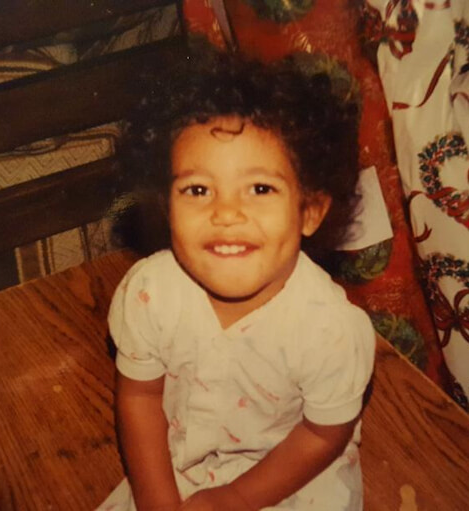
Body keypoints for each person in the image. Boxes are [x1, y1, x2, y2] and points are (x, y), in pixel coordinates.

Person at [98, 47, 376, 511]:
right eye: (198, 189)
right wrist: (158, 500)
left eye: (260, 188)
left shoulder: (331, 331)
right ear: (168, 207)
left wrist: (235, 498)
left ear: (309, 211)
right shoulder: (149, 293)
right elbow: (140, 397)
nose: (226, 213)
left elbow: (322, 433)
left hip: (289, 472)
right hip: (176, 462)